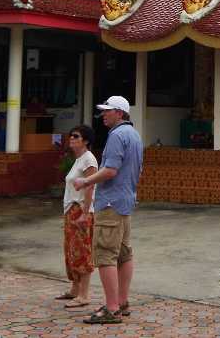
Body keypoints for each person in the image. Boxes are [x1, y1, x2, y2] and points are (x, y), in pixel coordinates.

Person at [73, 95, 143, 325]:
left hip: (110, 203)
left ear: (119, 113)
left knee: (105, 255)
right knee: (124, 254)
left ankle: (112, 308)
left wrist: (86, 181)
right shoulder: (134, 135)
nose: (103, 114)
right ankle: (122, 302)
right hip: (126, 202)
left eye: (107, 111)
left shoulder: (116, 135)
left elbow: (110, 170)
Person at [57, 125, 97, 309]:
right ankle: (74, 289)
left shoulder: (89, 159)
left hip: (81, 210)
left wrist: (85, 213)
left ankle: (84, 294)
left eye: (76, 136)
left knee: (82, 251)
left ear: (86, 140)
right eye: (70, 135)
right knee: (71, 251)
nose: (71, 138)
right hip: (70, 210)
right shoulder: (78, 159)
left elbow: (90, 186)